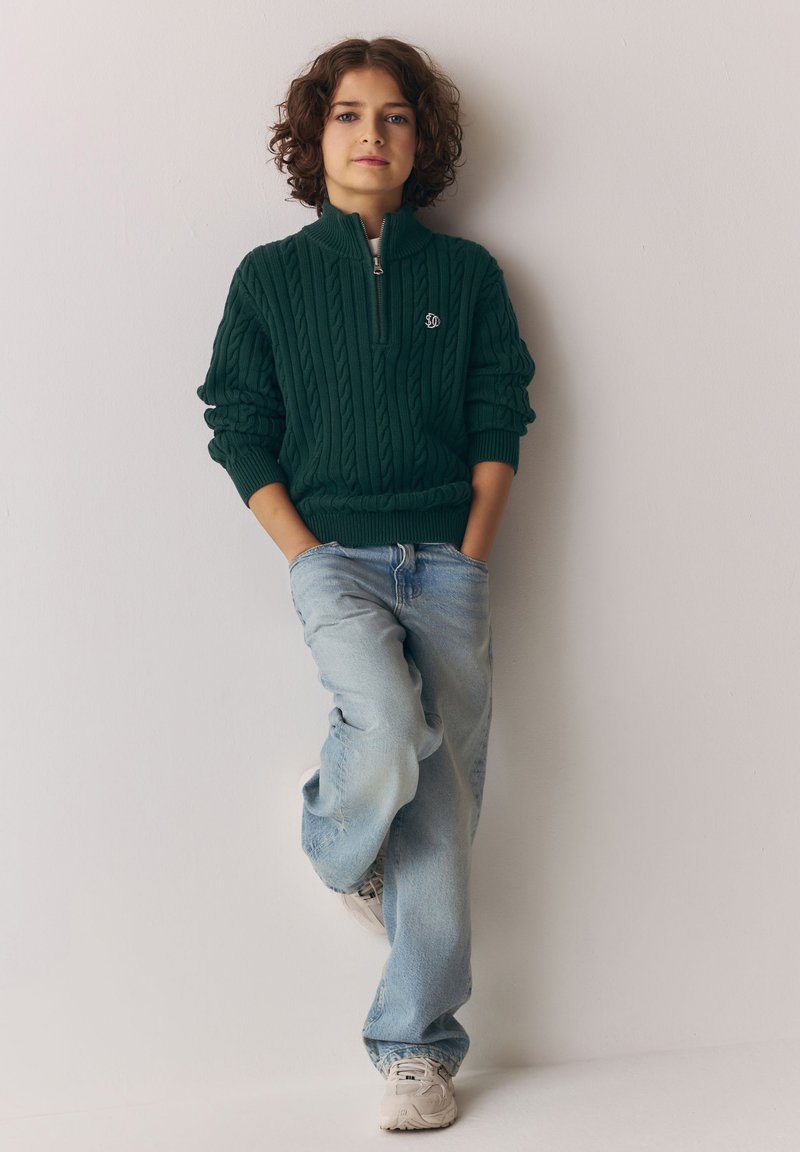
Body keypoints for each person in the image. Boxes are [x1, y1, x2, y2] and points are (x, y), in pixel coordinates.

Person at [196, 36, 536, 1131]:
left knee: (441, 812)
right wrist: (303, 551)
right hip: (333, 559)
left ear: (420, 139)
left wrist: (470, 553)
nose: (371, 135)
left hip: (446, 563)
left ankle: (416, 1052)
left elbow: (500, 416)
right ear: (315, 135)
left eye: (393, 115)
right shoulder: (269, 278)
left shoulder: (469, 276)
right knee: (387, 726)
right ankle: (338, 843)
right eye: (348, 114)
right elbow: (237, 424)